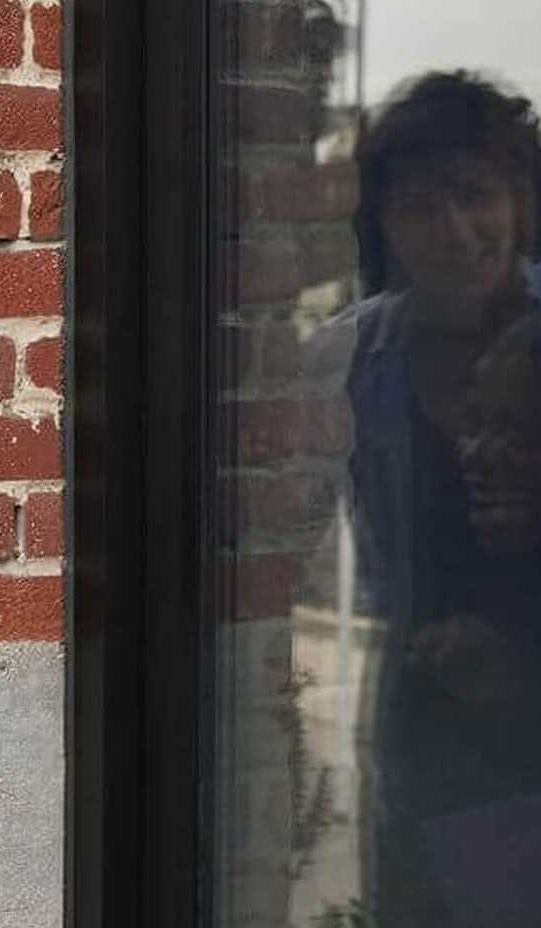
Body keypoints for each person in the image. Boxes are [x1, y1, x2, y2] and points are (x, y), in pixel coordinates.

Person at [328, 70, 541, 925]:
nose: (454, 232)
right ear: (381, 224)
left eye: (475, 194)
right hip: (423, 758)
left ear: (519, 198)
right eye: (418, 207)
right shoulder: (348, 359)